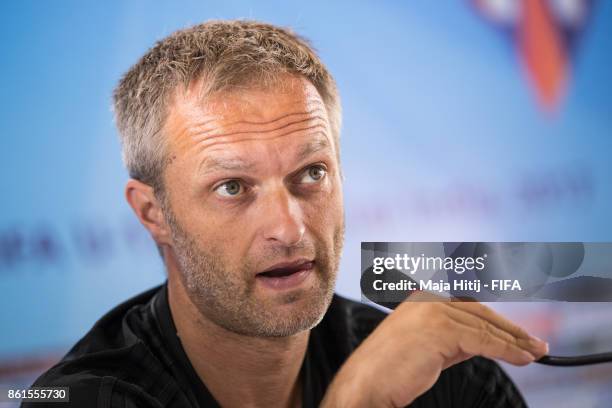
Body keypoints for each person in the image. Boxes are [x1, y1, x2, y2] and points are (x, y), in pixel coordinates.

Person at [25, 20, 548, 408]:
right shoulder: (81, 398)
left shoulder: (444, 378)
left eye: (312, 173)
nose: (290, 228)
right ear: (152, 211)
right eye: (233, 187)